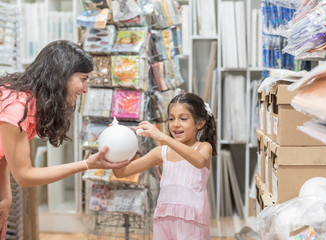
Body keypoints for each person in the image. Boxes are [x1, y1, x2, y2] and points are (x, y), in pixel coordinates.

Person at [0, 40, 130, 240]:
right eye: (83, 79)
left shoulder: (30, 103)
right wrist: (87, 164)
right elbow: (24, 176)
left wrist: (6, 197)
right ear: (62, 77)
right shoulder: (17, 109)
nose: (86, 89)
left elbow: (4, 154)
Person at [113, 92, 217, 239]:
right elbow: (121, 173)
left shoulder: (203, 147)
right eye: (171, 119)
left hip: (193, 221)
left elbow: (199, 161)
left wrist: (162, 137)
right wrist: (115, 142)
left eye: (183, 118)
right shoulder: (161, 152)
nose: (175, 124)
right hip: (164, 220)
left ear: (200, 123)